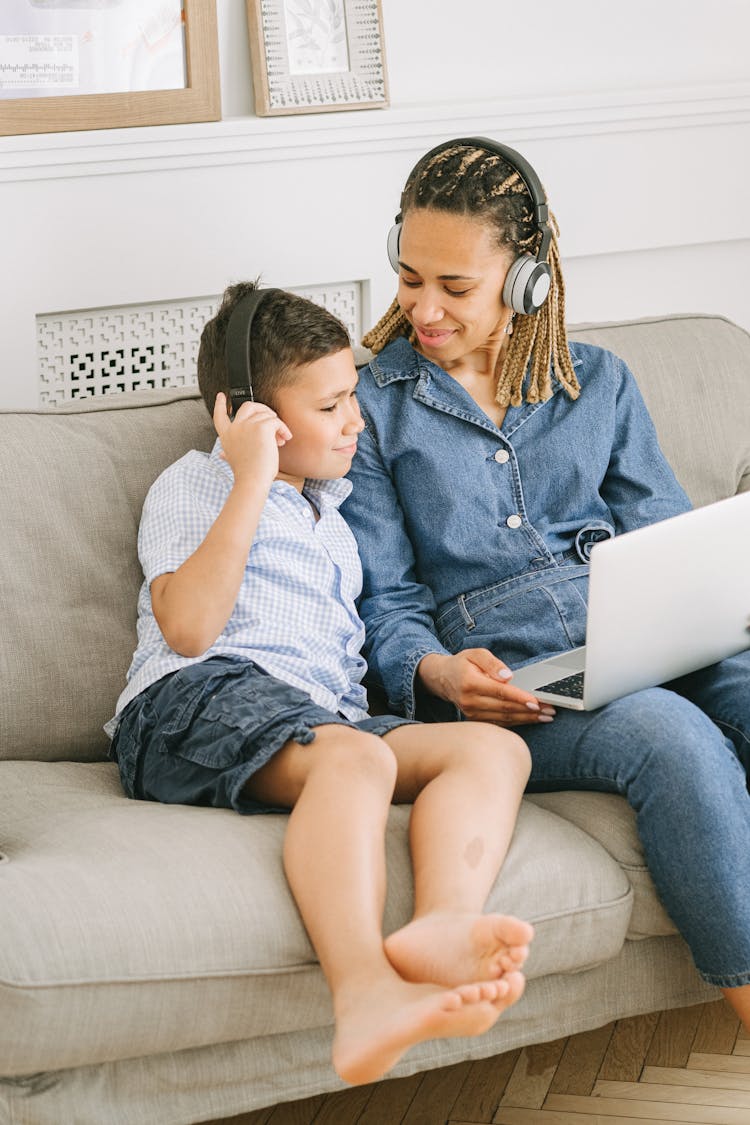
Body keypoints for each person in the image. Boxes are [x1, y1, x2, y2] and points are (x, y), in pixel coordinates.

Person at [342, 137, 750, 1028]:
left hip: (644, 641)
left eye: (456, 287)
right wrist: (440, 673)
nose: (424, 307)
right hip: (514, 692)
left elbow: (674, 539)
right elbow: (387, 603)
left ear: (527, 279)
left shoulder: (596, 383)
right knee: (670, 738)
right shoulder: (372, 409)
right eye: (410, 277)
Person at [106, 281, 534, 1087]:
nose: (355, 421)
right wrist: (248, 475)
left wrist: (440, 670)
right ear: (244, 415)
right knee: (356, 761)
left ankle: (444, 921)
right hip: (192, 696)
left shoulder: (332, 515)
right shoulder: (194, 485)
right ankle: (363, 992)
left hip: (315, 716)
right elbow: (190, 630)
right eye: (333, 405)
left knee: (492, 751)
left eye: (352, 400)